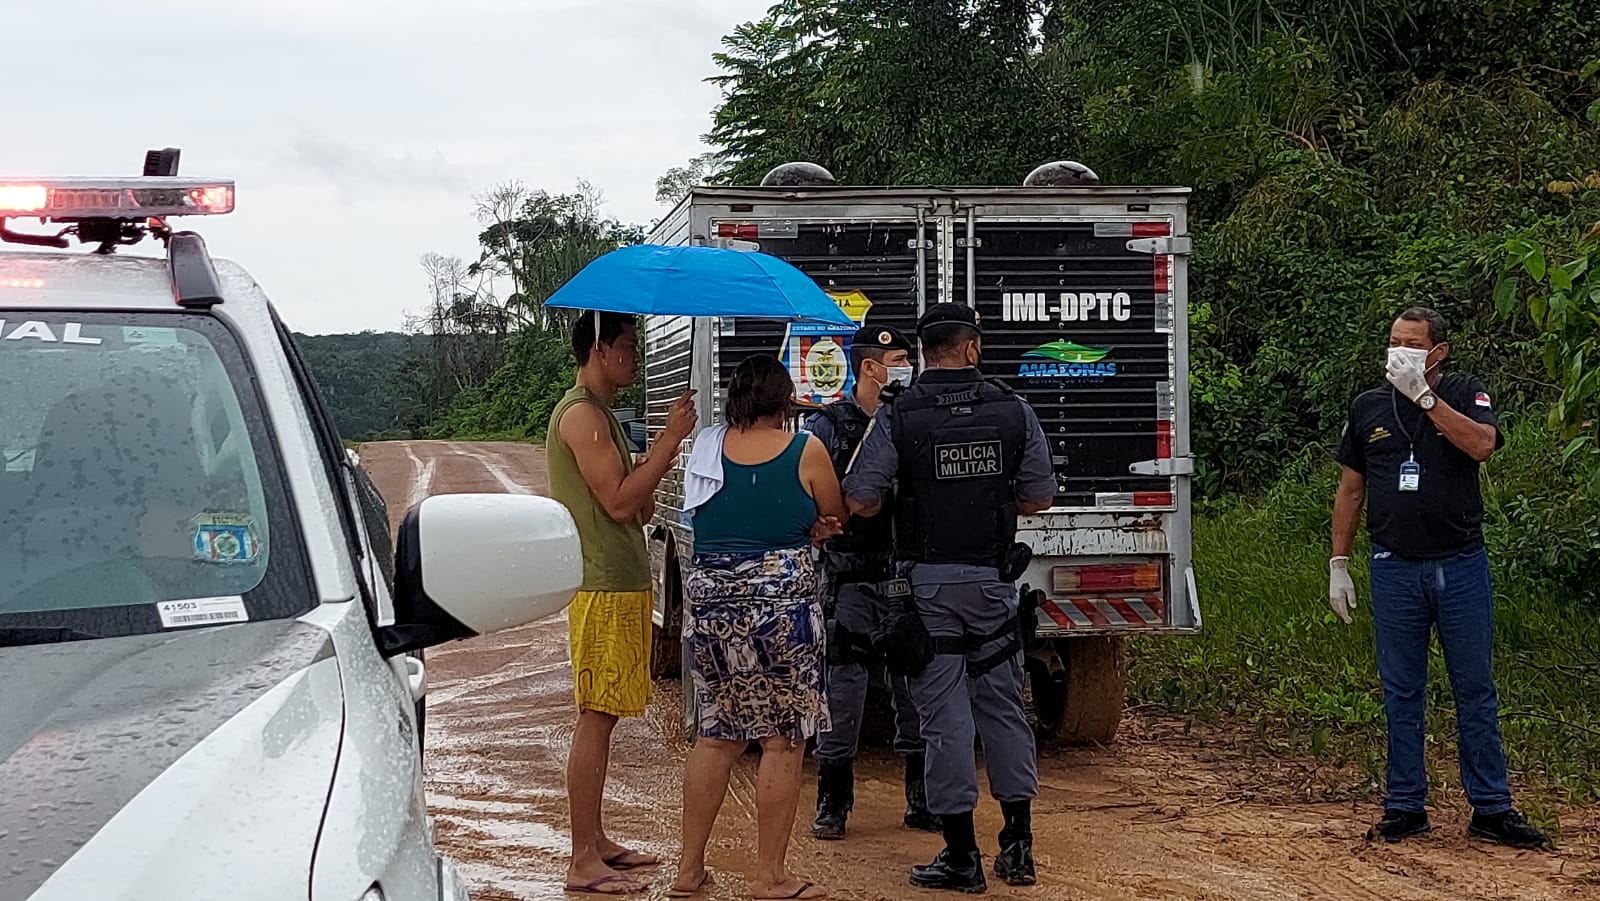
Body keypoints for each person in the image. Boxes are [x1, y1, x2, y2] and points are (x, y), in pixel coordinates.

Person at [843, 303, 1057, 893]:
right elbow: (1038, 498)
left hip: (928, 589)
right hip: (993, 585)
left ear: (927, 350)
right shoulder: (1014, 410)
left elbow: (859, 496)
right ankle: (1018, 847)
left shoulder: (898, 414)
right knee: (1005, 710)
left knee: (945, 721)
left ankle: (961, 857)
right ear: (972, 348)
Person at [1330, 306, 1548, 850]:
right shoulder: (1367, 408)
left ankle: (1492, 808)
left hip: (1460, 563)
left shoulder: (1466, 390)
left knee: (1474, 688)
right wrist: (1339, 562)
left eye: (1411, 344)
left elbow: (1482, 446)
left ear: (1437, 353)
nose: (1398, 352)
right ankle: (1404, 805)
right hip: (1393, 567)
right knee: (1401, 690)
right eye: (1393, 342)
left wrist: (1425, 399)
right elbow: (1351, 489)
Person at [669, 355, 844, 901]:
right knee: (782, 740)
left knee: (717, 735)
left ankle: (688, 871)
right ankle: (769, 875)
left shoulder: (705, 449)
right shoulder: (805, 450)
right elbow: (833, 513)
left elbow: (701, 517)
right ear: (783, 402)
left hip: (712, 608)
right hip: (781, 612)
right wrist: (814, 526)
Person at [548, 310, 698, 896]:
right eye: (629, 346)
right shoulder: (583, 416)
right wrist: (669, 440)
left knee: (604, 716)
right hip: (601, 583)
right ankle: (583, 858)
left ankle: (597, 841)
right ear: (602, 350)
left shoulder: (604, 417)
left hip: (620, 579)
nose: (635, 357)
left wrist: (651, 459)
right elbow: (617, 505)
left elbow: (637, 507)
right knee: (596, 718)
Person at [803, 323, 939, 841]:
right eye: (901, 359)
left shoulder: (914, 420)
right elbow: (804, 495)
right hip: (849, 577)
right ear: (870, 367)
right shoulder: (827, 428)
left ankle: (920, 800)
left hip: (905, 573)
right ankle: (833, 803)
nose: (908, 368)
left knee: (915, 688)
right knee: (843, 694)